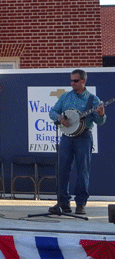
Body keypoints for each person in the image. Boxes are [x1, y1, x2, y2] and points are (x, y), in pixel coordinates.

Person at [48, 69, 106, 215]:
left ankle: (80, 204)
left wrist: (101, 114)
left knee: (83, 171)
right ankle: (63, 203)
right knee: (63, 170)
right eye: (71, 80)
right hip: (67, 137)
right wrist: (61, 119)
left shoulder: (93, 100)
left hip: (84, 137)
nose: (72, 83)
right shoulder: (65, 97)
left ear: (83, 81)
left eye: (75, 80)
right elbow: (53, 112)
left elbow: (100, 122)